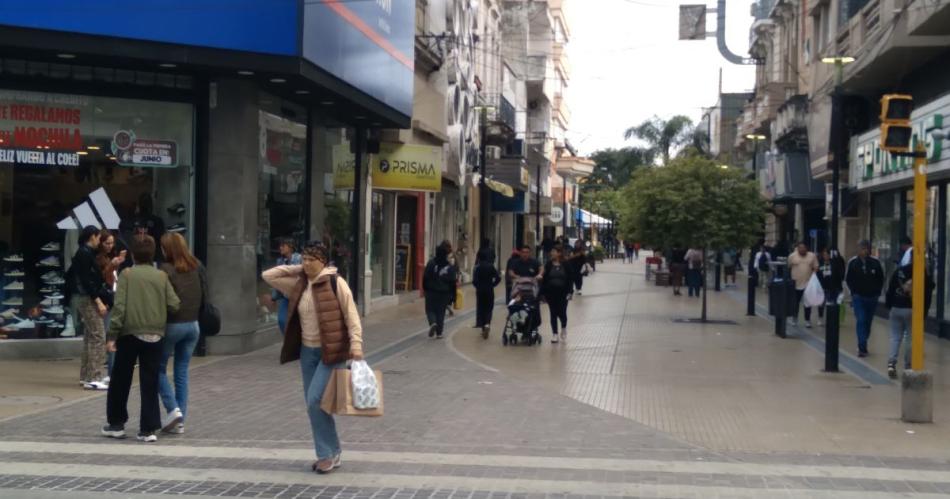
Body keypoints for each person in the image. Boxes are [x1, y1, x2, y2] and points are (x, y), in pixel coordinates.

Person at [262, 241, 363, 474]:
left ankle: (327, 454)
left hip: (331, 351)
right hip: (307, 352)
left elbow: (351, 316)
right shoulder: (298, 284)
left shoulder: (336, 283)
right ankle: (333, 451)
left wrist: (356, 345)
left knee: (314, 400)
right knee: (316, 405)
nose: (306, 263)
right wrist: (298, 269)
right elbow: (268, 275)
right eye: (304, 259)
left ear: (323, 262)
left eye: (311, 260)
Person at [101, 235, 181, 443]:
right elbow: (174, 304)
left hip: (130, 333)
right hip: (155, 334)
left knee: (121, 379)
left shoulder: (127, 274)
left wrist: (112, 335)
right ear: (153, 253)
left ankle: (117, 423)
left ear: (133, 255)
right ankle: (148, 429)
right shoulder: (161, 276)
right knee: (150, 381)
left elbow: (120, 307)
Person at [157, 233, 204, 435]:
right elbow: (205, 294)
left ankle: (173, 409)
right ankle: (180, 419)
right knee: (181, 371)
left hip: (172, 324)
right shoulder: (196, 266)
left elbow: (162, 299)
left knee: (157, 368)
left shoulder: (165, 270)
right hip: (193, 324)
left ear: (167, 249)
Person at [70, 226, 111, 391]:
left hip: (84, 297)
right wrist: (99, 301)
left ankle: (87, 375)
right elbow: (88, 281)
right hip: (88, 298)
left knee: (90, 335)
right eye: (98, 237)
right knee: (98, 336)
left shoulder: (84, 253)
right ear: (92, 237)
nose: (99, 241)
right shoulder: (85, 254)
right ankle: (94, 376)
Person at [884, 244, 934, 378]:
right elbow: (928, 292)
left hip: (896, 307)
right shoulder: (922, 273)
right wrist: (924, 312)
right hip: (912, 309)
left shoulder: (899, 271)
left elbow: (890, 290)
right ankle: (908, 365)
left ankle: (891, 364)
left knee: (895, 337)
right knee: (910, 338)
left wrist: (889, 305)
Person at [96, 230, 127, 383]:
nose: (110, 246)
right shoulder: (99, 258)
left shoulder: (110, 257)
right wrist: (112, 266)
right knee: (108, 336)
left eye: (111, 243)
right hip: (105, 300)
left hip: (112, 298)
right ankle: (109, 370)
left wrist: (116, 263)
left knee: (113, 335)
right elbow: (101, 278)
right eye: (106, 243)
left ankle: (112, 370)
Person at [845, 240, 885, 357]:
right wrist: (852, 293)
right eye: (862, 248)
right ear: (858, 249)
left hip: (872, 297)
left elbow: (881, 278)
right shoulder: (853, 262)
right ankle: (862, 346)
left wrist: (878, 292)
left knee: (868, 322)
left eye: (866, 248)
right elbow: (848, 279)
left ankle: (864, 340)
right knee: (861, 320)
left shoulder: (876, 263)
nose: (864, 251)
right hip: (858, 297)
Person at [423, 241, 457, 339]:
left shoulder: (431, 263)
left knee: (429, 309)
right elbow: (452, 283)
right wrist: (453, 296)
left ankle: (433, 323)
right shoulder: (449, 267)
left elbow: (425, 277)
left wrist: (425, 289)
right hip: (444, 293)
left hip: (431, 291)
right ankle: (439, 333)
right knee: (441, 312)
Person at [542, 245, 574, 344]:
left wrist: (570, 292)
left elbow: (570, 279)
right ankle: (554, 334)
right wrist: (543, 293)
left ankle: (563, 327)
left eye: (554, 251)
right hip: (551, 293)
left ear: (559, 253)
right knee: (553, 313)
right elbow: (544, 278)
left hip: (563, 293)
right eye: (552, 252)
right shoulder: (548, 264)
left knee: (562, 313)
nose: (552, 253)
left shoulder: (566, 264)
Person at [272, 239, 302, 335]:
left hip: (298, 296)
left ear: (290, 247)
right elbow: (277, 280)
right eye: (280, 246)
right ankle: (289, 340)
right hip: (286, 296)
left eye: (283, 245)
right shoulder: (280, 261)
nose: (280, 248)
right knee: (282, 320)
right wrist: (274, 297)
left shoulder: (299, 258)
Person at [788, 242, 819, 328]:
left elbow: (816, 267)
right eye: (800, 248)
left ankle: (807, 320)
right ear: (797, 249)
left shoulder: (812, 256)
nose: (802, 249)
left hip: (808, 283)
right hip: (796, 283)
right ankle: (794, 318)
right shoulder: (792, 256)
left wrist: (813, 276)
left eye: (804, 248)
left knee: (807, 303)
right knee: (795, 303)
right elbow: (789, 267)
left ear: (806, 248)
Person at [816, 247, 846, 327]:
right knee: (821, 303)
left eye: (827, 254)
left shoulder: (835, 263)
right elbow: (818, 274)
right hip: (823, 287)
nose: (825, 256)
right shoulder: (820, 263)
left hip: (834, 287)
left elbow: (840, 273)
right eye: (824, 255)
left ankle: (833, 319)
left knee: (833, 303)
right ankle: (820, 317)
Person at [473, 253, 501, 338]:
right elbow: (498, 278)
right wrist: (493, 284)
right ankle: (487, 324)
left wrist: (478, 287)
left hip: (480, 291)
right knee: (489, 308)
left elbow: (474, 281)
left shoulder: (477, 268)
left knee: (481, 309)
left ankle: (483, 327)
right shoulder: (491, 266)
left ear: (479, 259)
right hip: (489, 290)